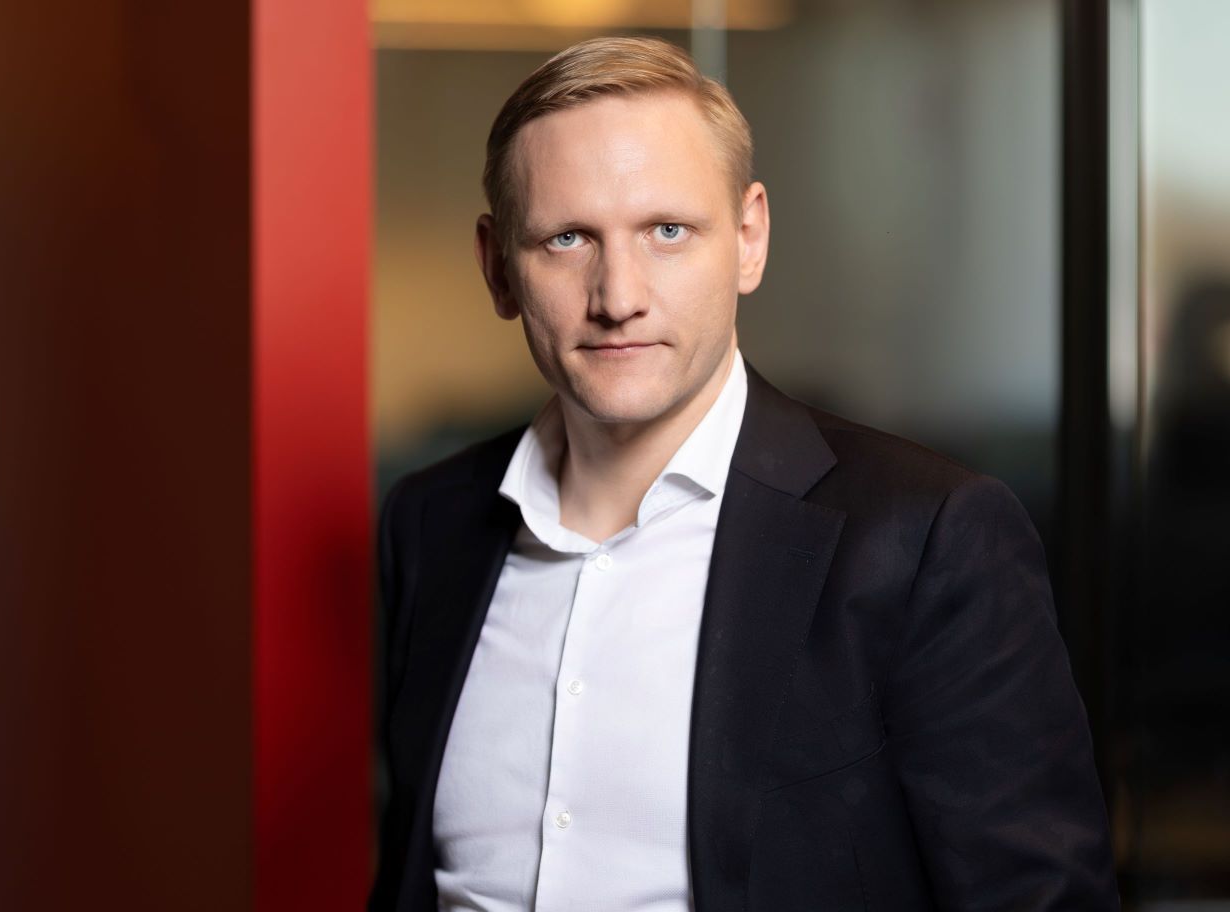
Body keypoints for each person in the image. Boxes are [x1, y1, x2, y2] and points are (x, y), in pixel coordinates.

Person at [369, 36, 1118, 912]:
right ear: (499, 266)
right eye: (567, 238)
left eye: (668, 231)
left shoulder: (925, 539)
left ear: (749, 238)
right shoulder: (430, 525)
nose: (618, 296)